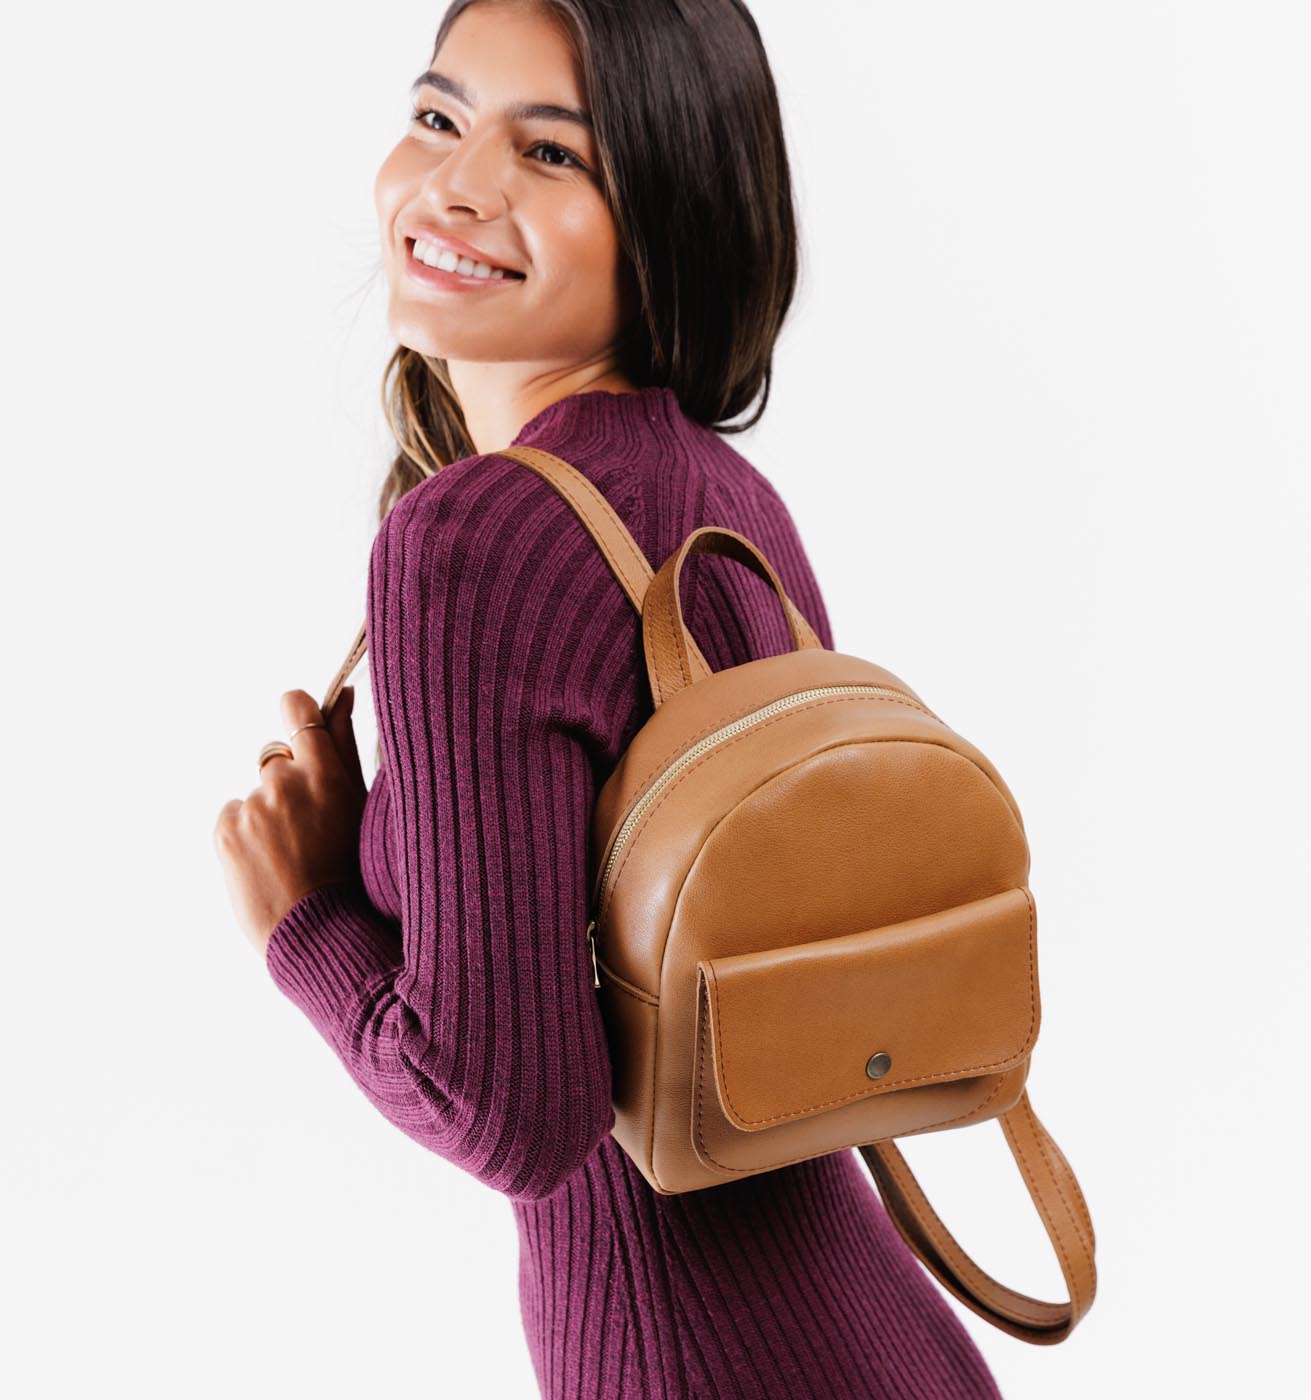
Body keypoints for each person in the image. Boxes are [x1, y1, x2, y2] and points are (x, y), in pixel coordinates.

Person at [214, 1, 1004, 1395]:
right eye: (440, 117)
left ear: (668, 222)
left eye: (552, 154)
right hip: (881, 1339)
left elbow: (514, 1116)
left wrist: (308, 918)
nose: (457, 185)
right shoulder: (725, 496)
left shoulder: (469, 543)